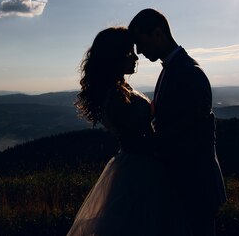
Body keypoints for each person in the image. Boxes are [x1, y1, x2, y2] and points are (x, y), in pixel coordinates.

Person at [67, 27, 188, 236]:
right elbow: (137, 141)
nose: (135, 57)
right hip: (140, 171)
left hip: (136, 166)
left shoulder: (117, 90)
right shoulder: (115, 97)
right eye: (129, 52)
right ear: (114, 56)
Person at [128, 8, 227, 236]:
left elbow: (192, 133)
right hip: (185, 185)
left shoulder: (189, 73)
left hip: (196, 186)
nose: (139, 51)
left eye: (140, 42)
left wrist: (146, 145)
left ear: (157, 34)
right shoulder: (172, 70)